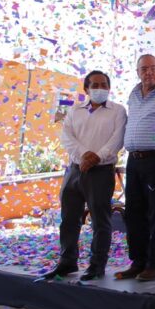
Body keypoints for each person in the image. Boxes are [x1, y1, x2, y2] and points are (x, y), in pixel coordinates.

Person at [43, 70, 127, 281]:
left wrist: (97, 157)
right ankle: (67, 261)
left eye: (104, 85)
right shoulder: (74, 110)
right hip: (74, 170)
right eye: (95, 85)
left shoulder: (118, 111)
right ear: (86, 89)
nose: (100, 89)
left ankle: (97, 265)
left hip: (101, 171)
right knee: (69, 219)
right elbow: (66, 137)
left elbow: (117, 139)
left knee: (100, 221)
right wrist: (84, 155)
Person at [115, 54, 155, 282]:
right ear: (137, 72)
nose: (148, 72)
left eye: (153, 68)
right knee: (134, 212)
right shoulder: (133, 94)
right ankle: (138, 262)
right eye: (143, 69)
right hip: (134, 160)